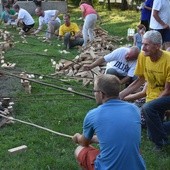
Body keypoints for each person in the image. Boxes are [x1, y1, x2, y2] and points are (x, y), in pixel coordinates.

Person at [72, 74, 146, 170]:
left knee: (79, 150)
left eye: (95, 91)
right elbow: (120, 135)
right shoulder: (134, 109)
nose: (94, 93)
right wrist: (94, 139)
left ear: (101, 94)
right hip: (137, 167)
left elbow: (84, 143)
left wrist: (77, 137)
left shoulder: (93, 115)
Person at [120, 30, 170, 151]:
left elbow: (168, 91)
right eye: (143, 44)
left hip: (166, 95)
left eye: (147, 44)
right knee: (148, 129)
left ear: (157, 46)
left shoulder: (168, 60)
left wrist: (151, 104)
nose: (143, 47)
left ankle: (160, 143)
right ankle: (160, 131)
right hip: (152, 98)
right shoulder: (143, 56)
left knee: (149, 110)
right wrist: (120, 95)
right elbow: (140, 80)